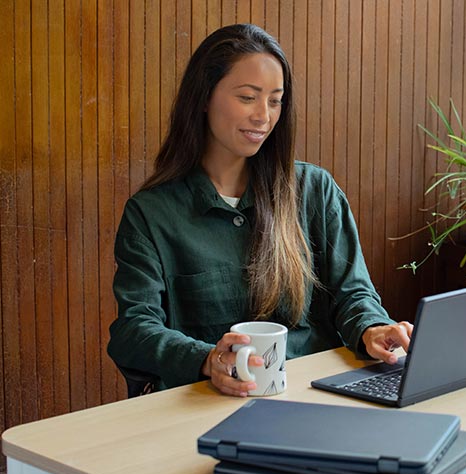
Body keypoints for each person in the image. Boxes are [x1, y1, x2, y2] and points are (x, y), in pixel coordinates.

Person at [108, 24, 412, 397]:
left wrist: (372, 328)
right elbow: (133, 329)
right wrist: (206, 359)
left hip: (316, 396)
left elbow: (353, 293)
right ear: (204, 97)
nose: (263, 117)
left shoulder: (314, 191)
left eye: (275, 100)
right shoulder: (152, 213)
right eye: (248, 97)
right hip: (210, 404)